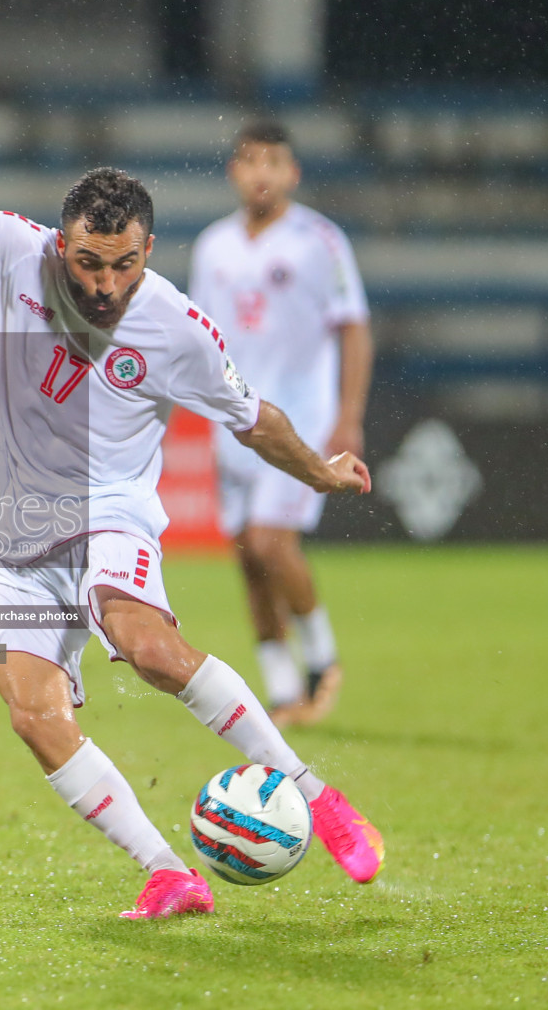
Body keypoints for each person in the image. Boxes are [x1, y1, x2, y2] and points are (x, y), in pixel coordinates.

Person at [0, 65, 385, 920]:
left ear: (147, 253)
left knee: (147, 646)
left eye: (123, 266)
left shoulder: (176, 326)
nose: (104, 286)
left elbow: (251, 415)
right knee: (31, 711)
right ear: (59, 244)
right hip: (12, 529)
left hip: (110, 508)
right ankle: (168, 870)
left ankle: (314, 793)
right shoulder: (11, 249)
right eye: (88, 263)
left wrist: (320, 467)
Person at [188, 121, 373, 727]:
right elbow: (197, 338)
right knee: (247, 555)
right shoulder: (213, 246)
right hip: (234, 421)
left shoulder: (321, 240)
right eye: (250, 161)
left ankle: (322, 657)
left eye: (274, 161)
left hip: (301, 419)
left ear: (292, 173)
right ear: (234, 173)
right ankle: (283, 689)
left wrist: (347, 416)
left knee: (272, 541)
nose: (262, 172)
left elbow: (354, 326)